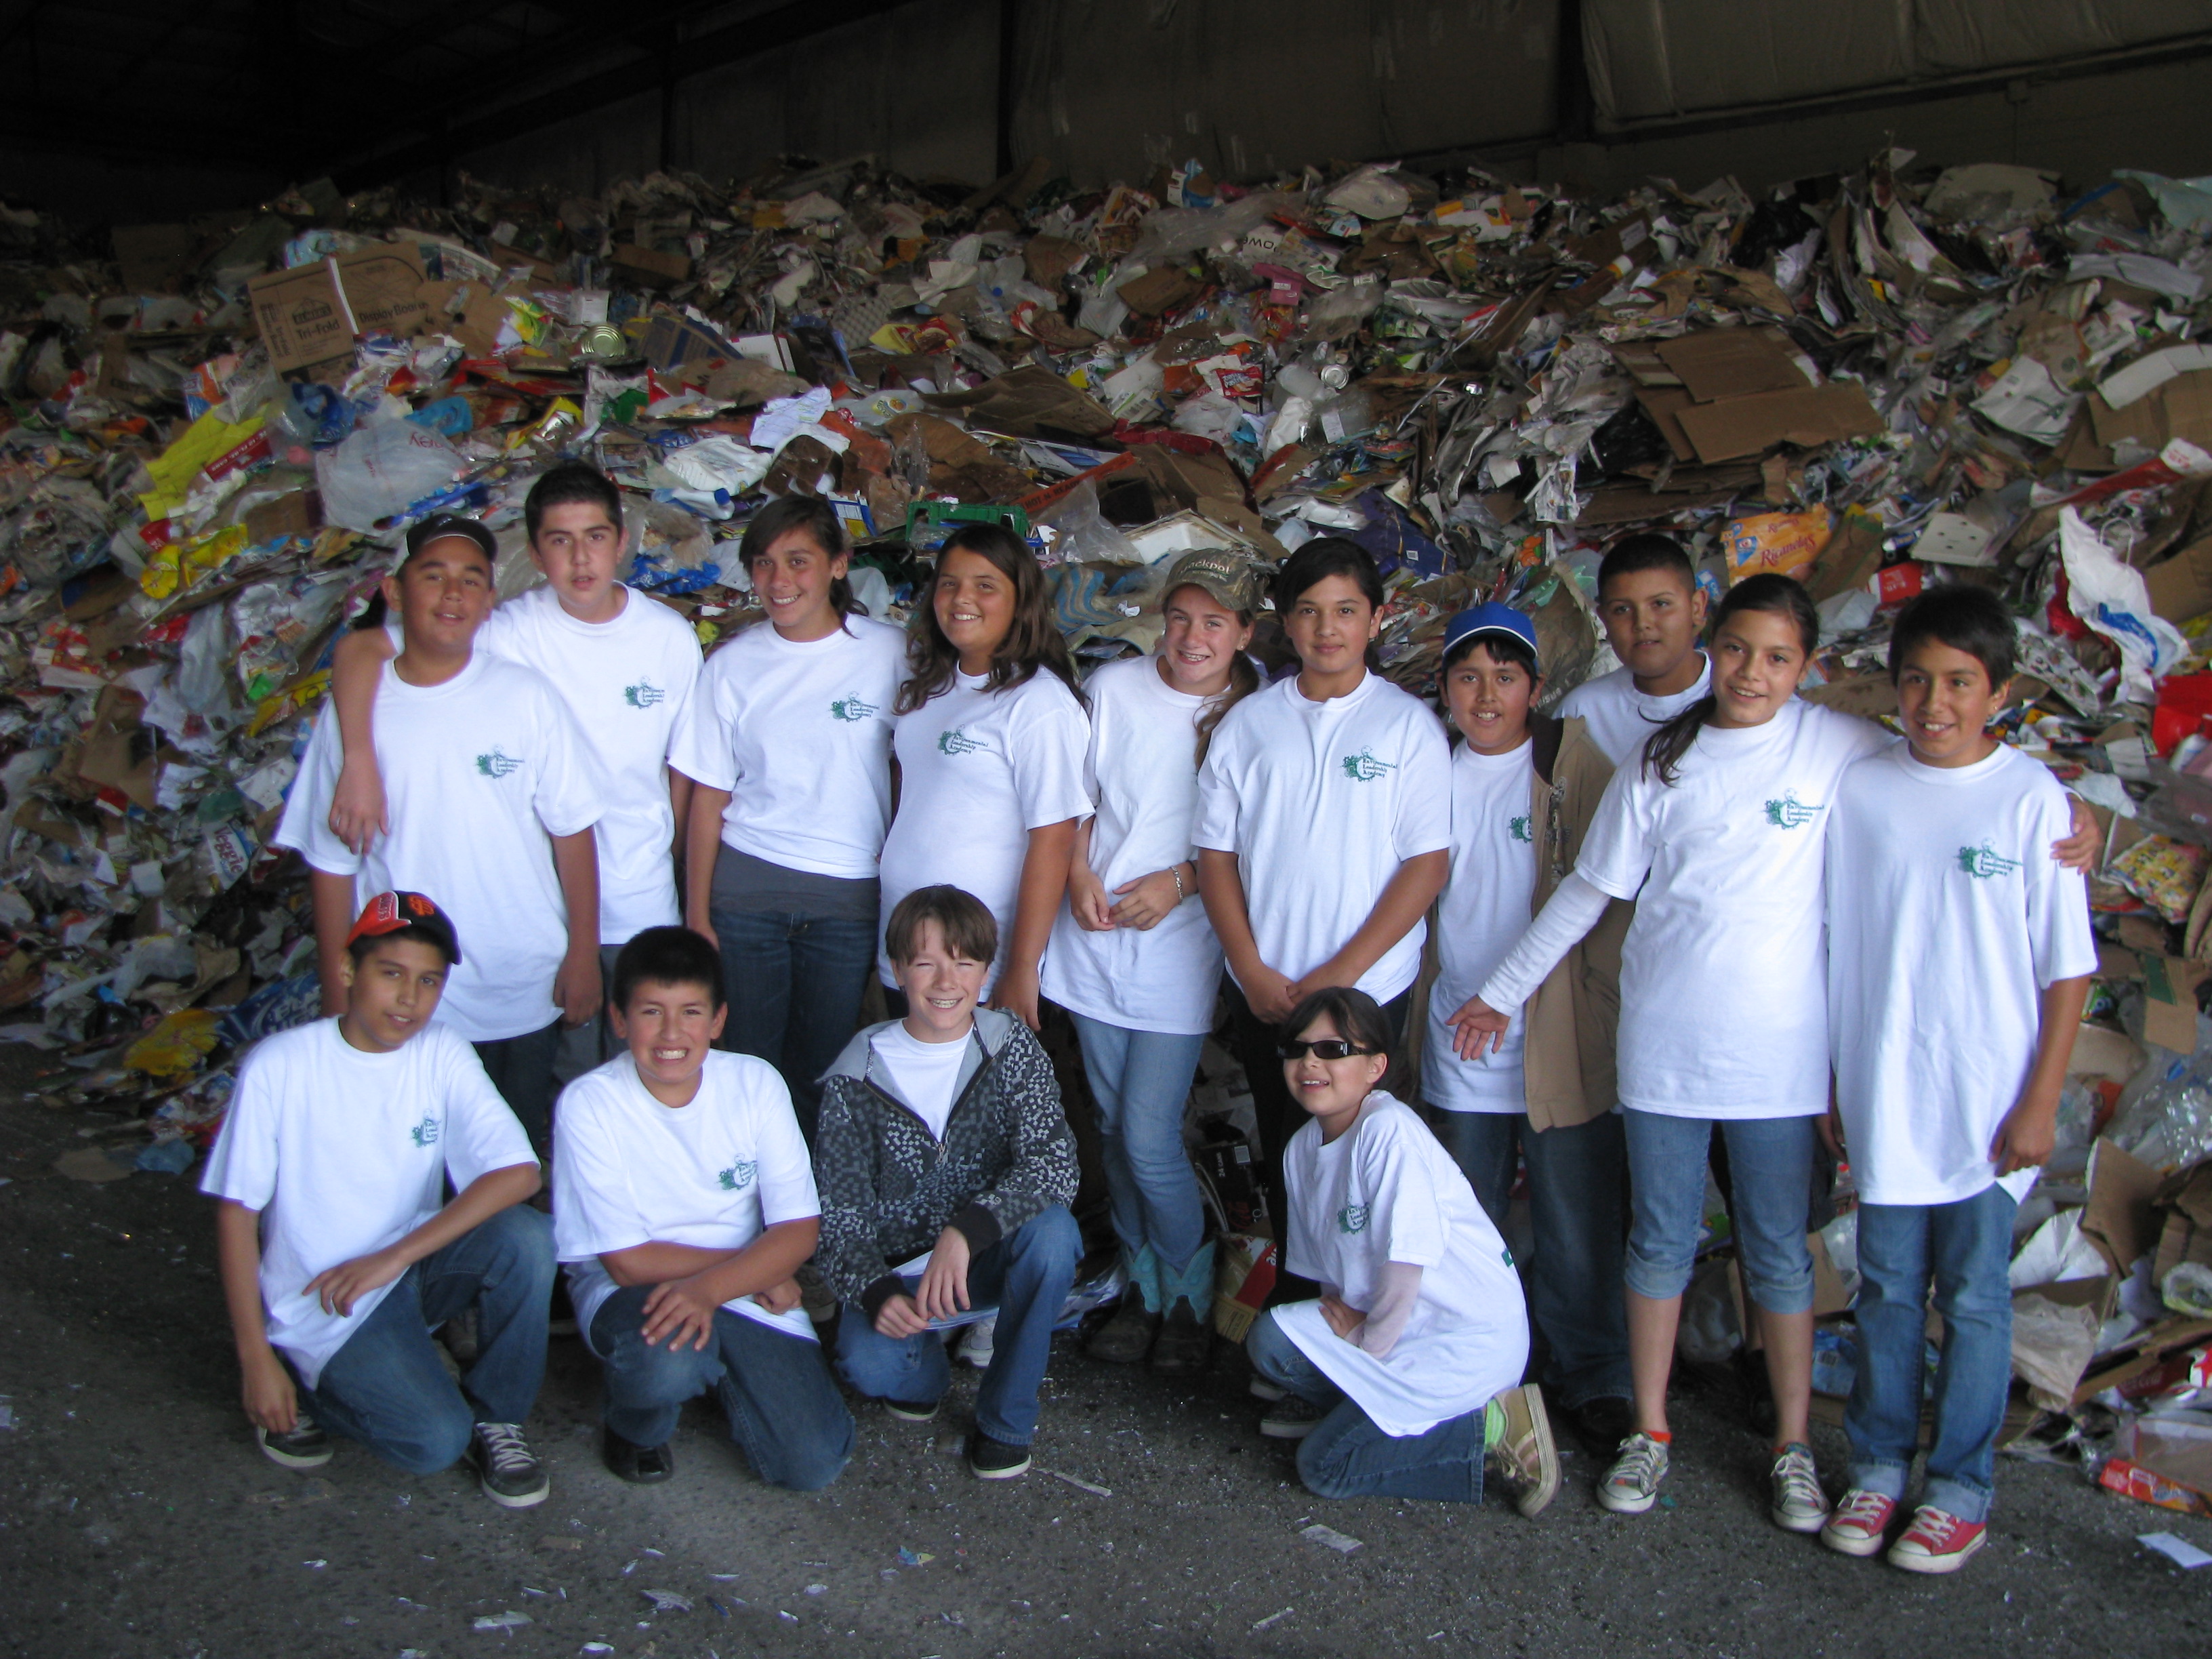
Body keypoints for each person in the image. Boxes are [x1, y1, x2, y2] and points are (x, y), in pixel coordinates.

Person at [1456, 574, 2099, 1532]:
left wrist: (2083, 820)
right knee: (1659, 1244)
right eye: (1740, 650)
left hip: (1786, 1064)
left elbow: (1965, 769)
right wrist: (1498, 993)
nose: (1754, 673)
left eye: (1780, 657)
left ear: (1811, 670)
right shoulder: (1663, 766)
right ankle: (1652, 1432)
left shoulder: (1843, 749)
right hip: (1665, 1052)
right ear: (1712, 649)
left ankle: (1796, 1447)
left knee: (1780, 1258)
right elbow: (1590, 893)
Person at [1819, 587, 2094, 1574]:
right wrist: (1832, 1084)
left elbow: (2069, 970)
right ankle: (1882, 1465)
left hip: (1986, 1102)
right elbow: (1832, 943)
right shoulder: (1862, 788)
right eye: (1918, 681)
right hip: (1887, 1090)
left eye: (1961, 683)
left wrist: (2039, 1102)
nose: (1936, 702)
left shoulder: (2034, 802)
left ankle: (1961, 1487)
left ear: (2002, 692)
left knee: (1976, 1296)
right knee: (1888, 1288)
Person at [322, 464, 702, 1083]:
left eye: (596, 537)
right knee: (568, 1075)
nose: (581, 559)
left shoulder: (668, 638)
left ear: (623, 541)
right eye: (560, 541)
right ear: (534, 553)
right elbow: (362, 648)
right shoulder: (503, 631)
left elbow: (682, 772)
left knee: (645, 1069)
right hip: (546, 909)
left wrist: (673, 863)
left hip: (641, 899)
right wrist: (358, 757)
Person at [201, 890, 554, 1506]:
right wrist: (255, 1359)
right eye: (390, 974)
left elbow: (519, 1173)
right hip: (324, 1302)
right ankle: (302, 1380)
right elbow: (236, 1215)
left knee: (528, 1239)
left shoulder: (440, 1051)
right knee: (432, 1442)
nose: (409, 999)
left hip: (404, 1271)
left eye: (428, 981)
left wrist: (393, 1257)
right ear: (346, 970)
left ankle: (497, 1418)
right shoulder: (282, 1066)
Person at [275, 513, 607, 1157]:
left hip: (522, 983)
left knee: (506, 1161)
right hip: (404, 993)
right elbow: (331, 863)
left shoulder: (525, 696)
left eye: (470, 581)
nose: (452, 593)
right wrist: (335, 992)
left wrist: (583, 954)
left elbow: (573, 834)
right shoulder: (356, 718)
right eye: (434, 577)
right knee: (406, 1168)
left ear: (489, 602)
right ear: (396, 595)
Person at [1195, 536, 1451, 1271]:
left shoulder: (1406, 727)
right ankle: (1298, 1312)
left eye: (1346, 610)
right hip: (1268, 989)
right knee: (1288, 1151)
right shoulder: (1250, 725)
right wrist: (1248, 969)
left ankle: (1368, 1313)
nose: (1327, 628)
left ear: (1377, 618)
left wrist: (1340, 978)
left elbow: (1425, 864)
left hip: (1368, 992)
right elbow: (1216, 856)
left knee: (1363, 1159)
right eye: (1308, 611)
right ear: (1286, 622)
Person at [1422, 603, 1635, 1454]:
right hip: (1451, 1033)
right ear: (1443, 689)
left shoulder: (1572, 766)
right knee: (1465, 1225)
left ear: (1537, 689)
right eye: (1468, 677)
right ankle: (1476, 1377)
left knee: (1575, 1218)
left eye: (1505, 677)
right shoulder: (1428, 769)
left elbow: (1605, 891)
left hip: (1554, 1037)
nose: (1486, 694)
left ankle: (1593, 1378)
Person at [1043, 549, 1261, 1373]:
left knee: (1146, 1134)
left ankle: (1190, 1286)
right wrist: (1076, 875)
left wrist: (1178, 883)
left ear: (1243, 632)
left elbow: (1251, 845)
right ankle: (1141, 1287)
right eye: (1180, 617)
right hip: (1094, 937)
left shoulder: (1252, 715)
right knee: (1107, 1123)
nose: (1192, 637)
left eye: (1215, 622)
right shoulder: (1114, 690)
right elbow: (1073, 800)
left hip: (1178, 946)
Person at [552, 925, 854, 1491]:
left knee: (812, 1463)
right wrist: (748, 1274)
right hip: (636, 1290)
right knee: (667, 1362)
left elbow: (799, 1230)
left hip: (741, 1282)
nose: (671, 1033)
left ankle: (719, 1365)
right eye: (650, 1012)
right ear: (619, 1020)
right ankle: (636, 1426)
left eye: (691, 1012)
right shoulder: (589, 1104)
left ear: (717, 1021)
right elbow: (626, 1261)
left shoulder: (755, 1083)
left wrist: (719, 1288)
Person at [1242, 987, 1557, 1515]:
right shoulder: (1301, 1148)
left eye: (1334, 1051)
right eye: (1297, 1050)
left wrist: (1364, 1348)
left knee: (1324, 1467)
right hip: (1391, 1325)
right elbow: (1329, 1272)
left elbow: (1406, 1263)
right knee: (1271, 1341)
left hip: (1458, 1337)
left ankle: (1496, 1427)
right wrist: (1349, 1345)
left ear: (1375, 1067)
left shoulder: (1387, 1131)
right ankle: (1382, 1416)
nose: (1309, 1063)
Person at [813, 885, 1081, 1480]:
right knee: (870, 1367)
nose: (945, 981)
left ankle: (1005, 1422)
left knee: (1054, 1236)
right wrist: (878, 1293)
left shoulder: (1009, 1045)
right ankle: (925, 1370)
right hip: (904, 1274)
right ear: (897, 969)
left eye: (964, 962)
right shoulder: (856, 1075)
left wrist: (965, 1232)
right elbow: (839, 1218)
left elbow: (1054, 1161)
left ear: (987, 970)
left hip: (985, 1254)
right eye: (926, 961)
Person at [670, 495, 905, 1142]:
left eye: (798, 561)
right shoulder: (732, 665)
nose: (779, 581)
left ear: (838, 565)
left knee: (822, 1068)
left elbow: (913, 766)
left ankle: (806, 1217)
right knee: (747, 1065)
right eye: (764, 563)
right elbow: (708, 798)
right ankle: (746, 1209)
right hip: (746, 897)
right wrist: (696, 917)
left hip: (847, 898)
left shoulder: (891, 654)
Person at [877, 523, 1090, 1031]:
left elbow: (1055, 839)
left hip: (977, 962)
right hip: (906, 947)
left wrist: (1019, 969)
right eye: (949, 583)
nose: (961, 599)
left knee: (971, 1106)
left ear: (1021, 601)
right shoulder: (932, 684)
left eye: (985, 585)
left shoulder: (1038, 703)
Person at [1557, 533, 1711, 769]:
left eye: (1660, 604)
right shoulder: (1582, 714)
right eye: (1622, 610)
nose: (1642, 623)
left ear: (1697, 607)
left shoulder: (1739, 696)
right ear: (1604, 619)